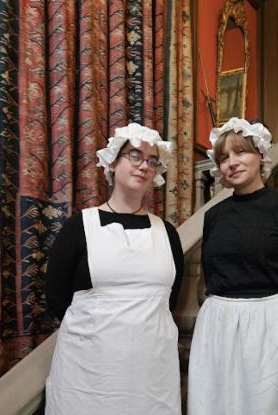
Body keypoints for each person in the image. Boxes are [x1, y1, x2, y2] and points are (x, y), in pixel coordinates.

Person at [188, 117, 278, 415]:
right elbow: (211, 272)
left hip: (277, 327)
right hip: (222, 328)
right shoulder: (215, 216)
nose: (233, 163)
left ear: (260, 155)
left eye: (241, 152)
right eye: (224, 157)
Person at [45, 123, 184, 415]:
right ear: (112, 162)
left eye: (152, 160)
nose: (144, 165)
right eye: (134, 155)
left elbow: (169, 300)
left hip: (151, 373)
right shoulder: (79, 227)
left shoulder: (167, 233)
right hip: (89, 372)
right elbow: (56, 297)